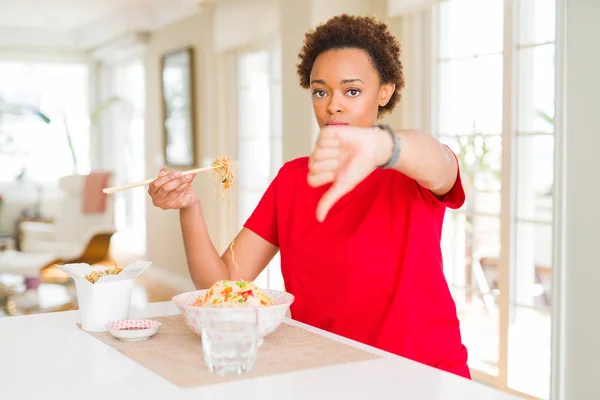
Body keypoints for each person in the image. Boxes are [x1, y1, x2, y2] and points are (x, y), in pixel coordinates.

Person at [148, 14, 470, 379]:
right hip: (325, 372)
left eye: (352, 91)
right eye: (321, 91)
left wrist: (383, 145)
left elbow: (441, 162)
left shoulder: (410, 167)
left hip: (423, 376)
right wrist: (189, 207)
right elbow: (220, 289)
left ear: (385, 91)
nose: (333, 105)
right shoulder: (293, 179)